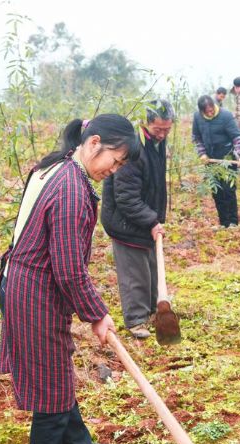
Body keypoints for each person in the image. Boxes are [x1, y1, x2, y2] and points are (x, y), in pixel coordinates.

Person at [0, 114, 139, 444]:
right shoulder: (71, 189)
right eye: (115, 159)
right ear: (93, 143)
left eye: (121, 164)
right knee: (51, 393)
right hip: (34, 293)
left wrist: (94, 312)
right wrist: (97, 314)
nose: (115, 169)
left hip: (26, 286)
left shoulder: (59, 167)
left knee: (55, 374)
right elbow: (68, 270)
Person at [101, 99, 174, 339]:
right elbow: (126, 197)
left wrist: (154, 219)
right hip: (124, 221)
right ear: (145, 124)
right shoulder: (133, 150)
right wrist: (152, 220)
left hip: (143, 218)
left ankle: (155, 311)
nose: (163, 134)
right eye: (158, 129)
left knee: (151, 267)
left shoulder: (155, 144)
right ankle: (136, 320)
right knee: (135, 272)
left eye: (167, 129)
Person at [192, 94, 240, 228]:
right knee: (217, 191)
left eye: (211, 110)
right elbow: (197, 137)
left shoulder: (226, 116)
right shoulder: (197, 117)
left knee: (228, 190)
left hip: (228, 158)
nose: (210, 113)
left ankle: (233, 222)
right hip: (210, 161)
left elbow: (237, 137)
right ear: (201, 111)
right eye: (207, 112)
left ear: (214, 105)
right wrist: (202, 153)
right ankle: (223, 222)